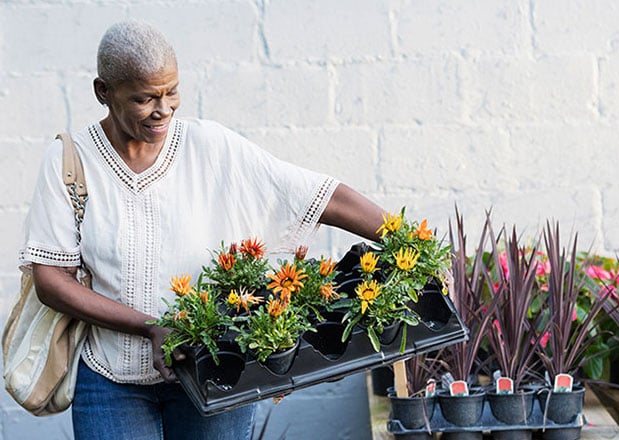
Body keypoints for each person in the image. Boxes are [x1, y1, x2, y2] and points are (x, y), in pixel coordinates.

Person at [19, 20, 385, 440]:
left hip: (217, 367)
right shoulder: (70, 160)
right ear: (104, 92)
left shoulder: (210, 147)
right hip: (111, 380)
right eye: (144, 98)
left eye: (171, 92)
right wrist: (150, 326)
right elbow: (51, 280)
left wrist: (407, 239)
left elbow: (318, 196)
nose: (164, 109)